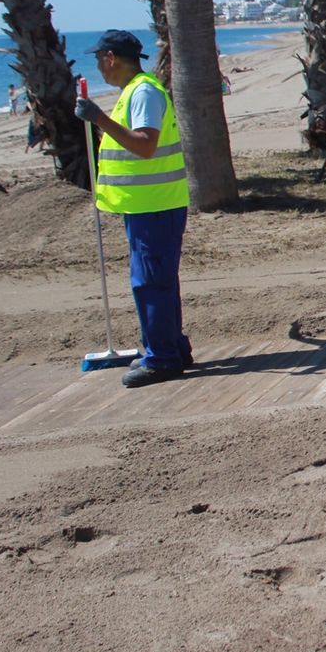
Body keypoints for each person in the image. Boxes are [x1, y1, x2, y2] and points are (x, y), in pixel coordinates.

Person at [72, 29, 193, 388]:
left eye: (99, 60)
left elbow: (145, 146)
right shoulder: (134, 92)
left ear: (111, 58)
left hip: (155, 206)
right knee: (158, 281)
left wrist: (99, 119)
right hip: (146, 205)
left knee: (151, 283)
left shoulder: (142, 92)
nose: (98, 67)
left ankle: (162, 358)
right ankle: (171, 348)